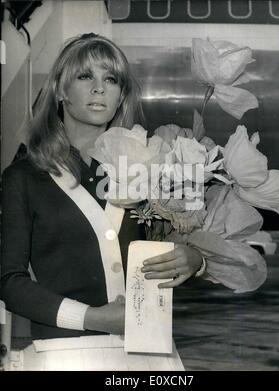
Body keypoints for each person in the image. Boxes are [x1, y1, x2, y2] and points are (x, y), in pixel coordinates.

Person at [0, 33, 205, 370]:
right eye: (85, 76)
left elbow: (173, 248)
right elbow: (10, 282)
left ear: (121, 94)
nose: (99, 88)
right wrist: (92, 318)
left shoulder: (151, 166)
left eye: (110, 79)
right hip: (67, 356)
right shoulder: (23, 177)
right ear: (60, 90)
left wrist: (195, 260)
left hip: (152, 357)